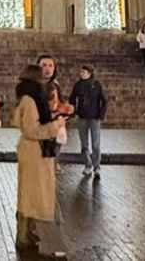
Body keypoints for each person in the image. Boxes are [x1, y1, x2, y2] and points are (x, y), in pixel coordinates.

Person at [14, 65, 69, 257]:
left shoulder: (32, 99)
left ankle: (26, 235)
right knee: (33, 195)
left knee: (31, 194)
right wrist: (56, 125)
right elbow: (32, 130)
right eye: (42, 77)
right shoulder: (30, 101)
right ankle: (28, 238)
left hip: (36, 152)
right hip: (33, 153)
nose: (45, 80)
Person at [69, 65, 107, 178]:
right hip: (82, 117)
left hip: (94, 117)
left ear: (89, 73)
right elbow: (72, 99)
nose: (82, 74)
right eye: (81, 72)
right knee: (84, 143)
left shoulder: (96, 85)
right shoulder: (77, 85)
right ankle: (87, 164)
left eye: (84, 72)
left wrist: (101, 114)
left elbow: (104, 100)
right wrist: (73, 111)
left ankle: (97, 166)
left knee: (96, 143)